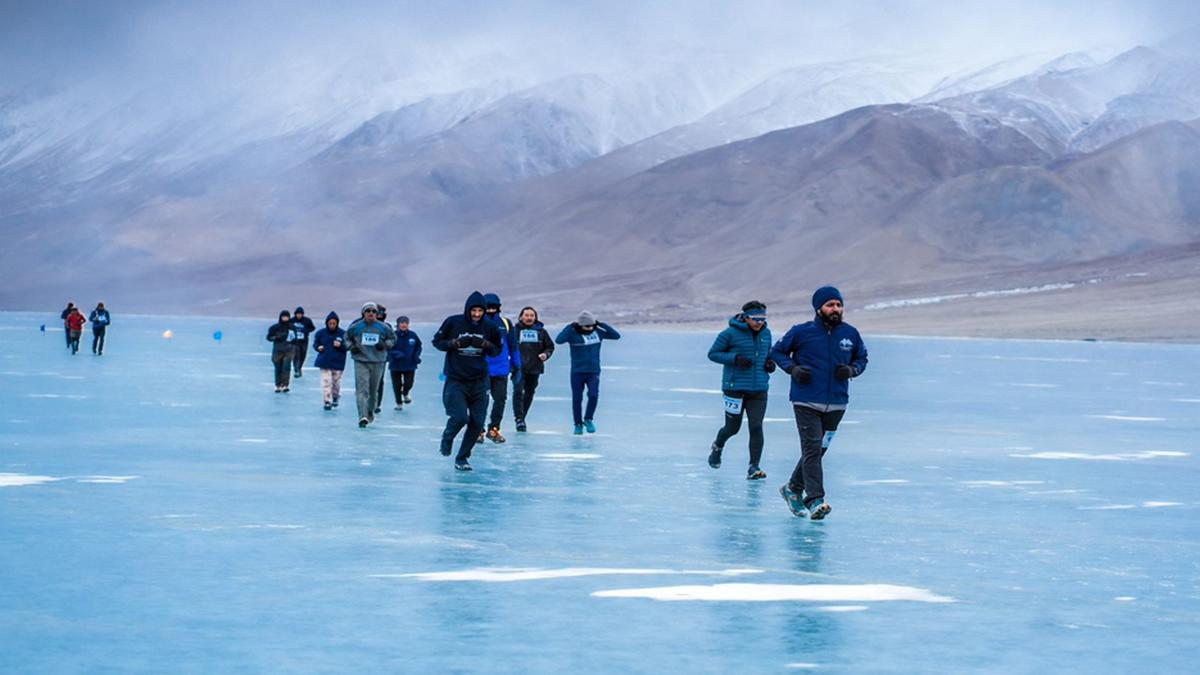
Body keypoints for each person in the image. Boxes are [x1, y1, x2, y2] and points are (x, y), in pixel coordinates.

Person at [771, 286, 868, 521]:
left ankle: (792, 488)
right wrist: (793, 369)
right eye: (830, 305)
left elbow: (862, 358)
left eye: (838, 304)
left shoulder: (850, 334)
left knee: (818, 450)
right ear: (819, 308)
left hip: (837, 403)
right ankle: (815, 499)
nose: (835, 309)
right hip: (806, 401)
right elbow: (777, 352)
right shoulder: (802, 332)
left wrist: (852, 369)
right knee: (812, 448)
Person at [432, 291, 501, 471]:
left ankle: (462, 457)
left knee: (477, 422)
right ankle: (448, 436)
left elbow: (497, 350)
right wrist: (454, 343)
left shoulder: (490, 326)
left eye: (480, 311)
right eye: (473, 311)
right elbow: (437, 342)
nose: (476, 314)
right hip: (457, 379)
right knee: (460, 417)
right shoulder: (453, 322)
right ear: (467, 309)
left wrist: (486, 345)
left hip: (479, 380)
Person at [707, 301, 774, 480]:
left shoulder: (766, 334)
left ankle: (754, 467)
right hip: (734, 389)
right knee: (732, 428)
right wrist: (735, 358)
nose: (760, 322)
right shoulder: (729, 334)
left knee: (756, 426)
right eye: (756, 319)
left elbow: (769, 353)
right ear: (745, 317)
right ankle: (717, 446)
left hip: (759, 389)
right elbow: (713, 354)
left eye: (763, 318)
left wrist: (770, 363)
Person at [555, 311, 621, 435]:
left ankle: (588, 419)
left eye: (592, 326)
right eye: (587, 326)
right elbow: (559, 340)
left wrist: (601, 324)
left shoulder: (598, 332)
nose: (590, 329)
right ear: (580, 326)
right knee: (577, 399)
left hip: (593, 371)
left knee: (593, 395)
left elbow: (616, 336)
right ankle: (578, 424)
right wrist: (570, 327)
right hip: (577, 372)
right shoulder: (573, 334)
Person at [343, 303, 396, 427]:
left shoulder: (384, 327)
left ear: (377, 313)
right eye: (368, 311)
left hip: (378, 361)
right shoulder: (356, 327)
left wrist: (384, 345)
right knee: (362, 390)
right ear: (363, 313)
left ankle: (370, 411)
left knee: (373, 390)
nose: (371, 313)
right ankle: (362, 416)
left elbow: (393, 339)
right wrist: (351, 347)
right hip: (361, 361)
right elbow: (346, 338)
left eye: (373, 311)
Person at [481, 293, 521, 443]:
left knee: (500, 399)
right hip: (481, 370)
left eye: (493, 307)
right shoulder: (477, 323)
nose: (491, 310)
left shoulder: (506, 323)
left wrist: (517, 366)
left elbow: (513, 346)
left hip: (501, 369)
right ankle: (479, 430)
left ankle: (494, 429)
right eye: (488, 307)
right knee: (481, 401)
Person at [512, 306, 555, 432]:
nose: (529, 318)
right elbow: (508, 346)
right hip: (518, 367)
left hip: (535, 367)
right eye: (526, 315)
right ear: (521, 317)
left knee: (529, 393)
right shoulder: (515, 331)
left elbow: (550, 347)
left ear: (535, 317)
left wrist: (545, 355)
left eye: (532, 315)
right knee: (518, 391)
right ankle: (519, 418)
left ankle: (522, 417)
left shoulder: (541, 332)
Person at [312, 311, 348, 411]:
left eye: (334, 323)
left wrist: (341, 346)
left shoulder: (343, 334)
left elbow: (348, 347)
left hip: (338, 362)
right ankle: (327, 401)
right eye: (330, 323)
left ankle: (335, 397)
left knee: (336, 383)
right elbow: (315, 343)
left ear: (337, 323)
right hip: (324, 361)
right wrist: (318, 347)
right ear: (327, 323)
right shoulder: (321, 333)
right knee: (326, 382)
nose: (332, 325)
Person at [388, 315, 422, 410]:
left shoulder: (413, 335)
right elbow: (387, 348)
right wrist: (395, 354)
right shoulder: (393, 336)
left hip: (410, 364)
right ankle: (399, 403)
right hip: (395, 364)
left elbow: (418, 346)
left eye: (406, 323)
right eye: (402, 323)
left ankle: (405, 393)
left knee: (409, 383)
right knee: (397, 385)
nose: (404, 325)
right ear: (398, 324)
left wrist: (416, 356)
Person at [266, 310, 294, 392]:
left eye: (287, 317)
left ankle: (285, 385)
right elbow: (268, 337)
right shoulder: (274, 327)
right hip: (277, 351)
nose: (285, 318)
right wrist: (276, 337)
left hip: (288, 350)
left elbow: (295, 338)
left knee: (286, 368)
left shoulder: (292, 327)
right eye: (283, 317)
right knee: (278, 368)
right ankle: (278, 385)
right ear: (280, 317)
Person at [290, 307, 316, 379]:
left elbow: (312, 328)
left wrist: (306, 330)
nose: (299, 315)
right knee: (296, 355)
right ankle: (296, 370)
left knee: (303, 355)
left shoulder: (307, 320)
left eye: (300, 314)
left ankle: (299, 368)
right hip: (295, 341)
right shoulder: (292, 320)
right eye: (298, 314)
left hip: (304, 341)